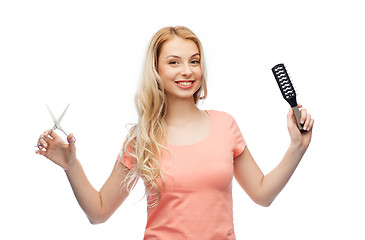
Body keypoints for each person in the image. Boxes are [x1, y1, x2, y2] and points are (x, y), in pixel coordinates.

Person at [35, 26, 314, 239]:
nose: (187, 71)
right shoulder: (141, 139)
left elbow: (262, 194)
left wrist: (296, 147)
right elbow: (98, 212)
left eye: (194, 61)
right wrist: (71, 165)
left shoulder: (225, 125)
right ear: (155, 70)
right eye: (173, 62)